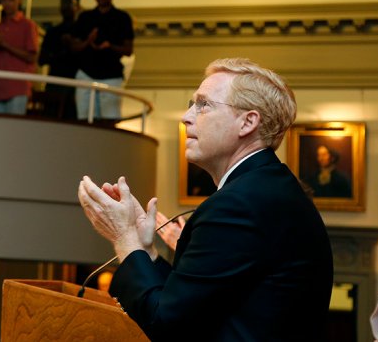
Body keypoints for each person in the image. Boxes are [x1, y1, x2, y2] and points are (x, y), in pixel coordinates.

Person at [78, 58, 333, 341]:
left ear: (247, 122)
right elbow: (195, 300)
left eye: (203, 105)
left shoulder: (240, 204)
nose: (186, 116)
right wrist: (145, 251)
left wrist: (124, 238)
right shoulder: (265, 188)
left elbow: (167, 324)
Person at [69, 0, 133, 121]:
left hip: (111, 75)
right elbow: (74, 47)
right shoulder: (85, 17)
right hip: (86, 72)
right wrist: (88, 42)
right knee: (84, 118)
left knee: (109, 119)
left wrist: (110, 46)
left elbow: (128, 50)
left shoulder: (122, 18)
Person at [39, 0, 80, 119]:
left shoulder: (82, 31)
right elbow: (41, 59)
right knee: (51, 118)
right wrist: (60, 53)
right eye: (64, 4)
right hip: (55, 83)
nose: (66, 8)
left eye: (70, 4)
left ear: (78, 7)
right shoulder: (53, 32)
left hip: (75, 83)